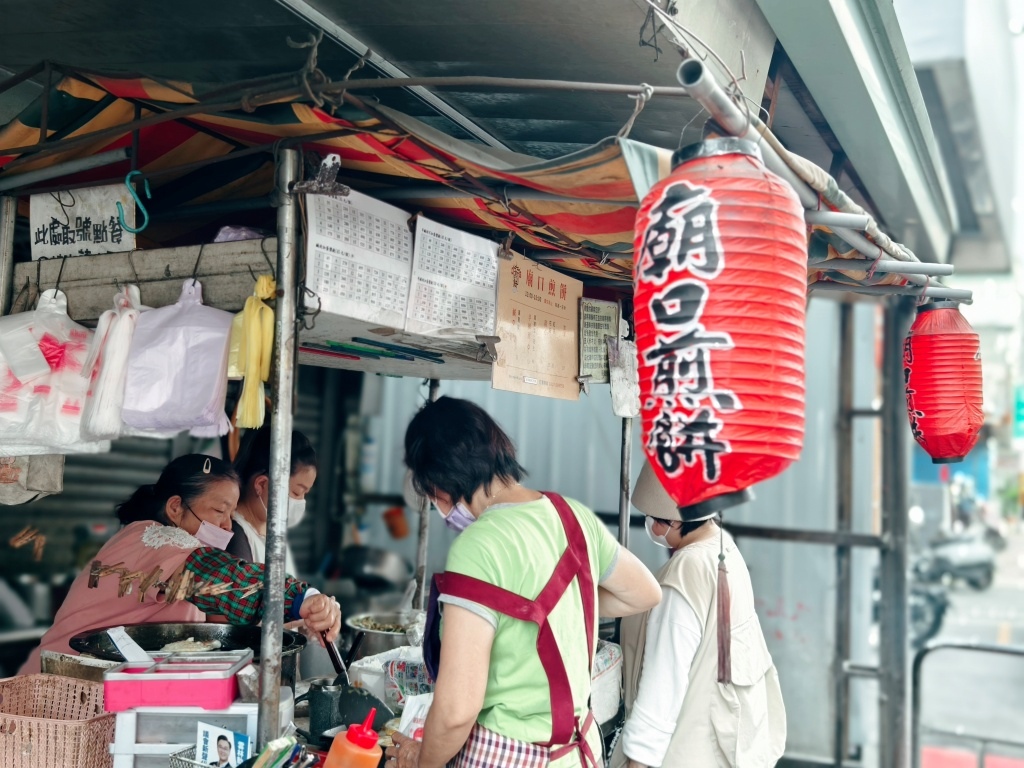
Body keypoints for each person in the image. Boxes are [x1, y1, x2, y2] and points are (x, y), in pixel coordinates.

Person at [385, 396, 661, 768]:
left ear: (441, 480)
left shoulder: (478, 546)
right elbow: (644, 592)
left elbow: (455, 711)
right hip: (577, 752)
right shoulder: (574, 517)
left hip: (511, 756)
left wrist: (423, 762)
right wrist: (566, 605)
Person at [18, 454, 340, 675]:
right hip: (58, 691)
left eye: (231, 514)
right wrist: (301, 597)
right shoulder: (153, 541)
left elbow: (225, 615)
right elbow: (227, 582)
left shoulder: (173, 554)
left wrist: (303, 613)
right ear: (176, 508)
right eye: (219, 511)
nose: (229, 526)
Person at [611, 462, 786, 768]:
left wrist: (637, 760)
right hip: (721, 747)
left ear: (677, 521)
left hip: (685, 750)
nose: (650, 526)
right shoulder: (722, 548)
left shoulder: (685, 572)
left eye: (654, 518)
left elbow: (664, 680)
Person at [227, 425, 318, 576]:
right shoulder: (235, 537)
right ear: (262, 484)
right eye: (296, 492)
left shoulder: (273, 534)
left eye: (305, 494)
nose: (301, 501)